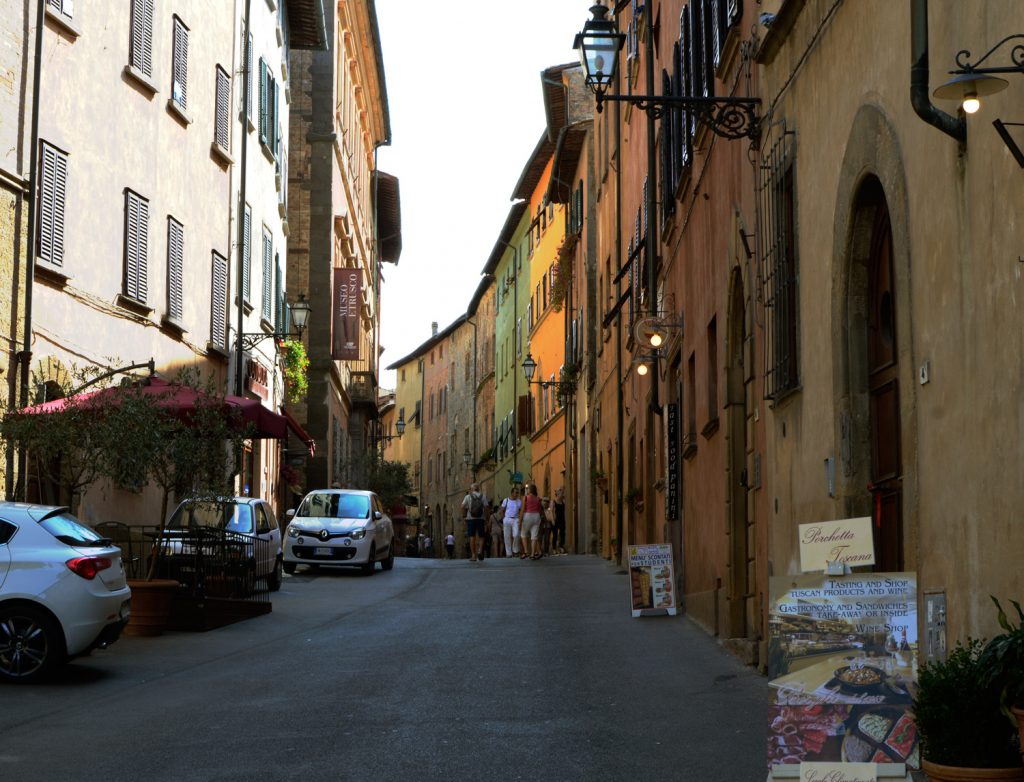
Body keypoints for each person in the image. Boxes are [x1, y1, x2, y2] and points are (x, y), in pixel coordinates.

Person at [461, 482, 487, 562]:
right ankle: (480, 551)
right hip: (480, 518)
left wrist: (464, 516)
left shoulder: (468, 496)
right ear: (478, 489)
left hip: (470, 519)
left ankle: (473, 555)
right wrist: (486, 517)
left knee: (472, 536)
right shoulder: (483, 497)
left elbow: (462, 506)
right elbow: (486, 507)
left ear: (471, 489)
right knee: (481, 536)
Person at [519, 484, 544, 560]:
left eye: (527, 489)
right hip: (536, 516)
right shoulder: (538, 499)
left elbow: (522, 510)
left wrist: (520, 521)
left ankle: (526, 552)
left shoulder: (525, 498)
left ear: (529, 490)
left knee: (523, 534)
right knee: (534, 536)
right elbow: (540, 510)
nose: (527, 490)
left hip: (528, 515)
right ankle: (532, 554)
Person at [500, 487, 523, 557]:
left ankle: (515, 550)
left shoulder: (519, 501)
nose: (516, 494)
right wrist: (503, 519)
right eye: (515, 492)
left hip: (515, 519)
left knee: (516, 535)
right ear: (512, 493)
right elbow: (502, 510)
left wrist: (520, 519)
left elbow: (520, 511)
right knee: (506, 536)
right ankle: (509, 553)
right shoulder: (506, 500)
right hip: (507, 519)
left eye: (517, 493)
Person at [552, 487, 567, 555]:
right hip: (556, 519)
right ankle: (554, 548)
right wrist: (552, 519)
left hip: (562, 519)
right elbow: (551, 511)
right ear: (557, 494)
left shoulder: (563, 502)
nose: (562, 494)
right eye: (561, 493)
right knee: (555, 534)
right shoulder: (553, 502)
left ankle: (561, 546)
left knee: (562, 533)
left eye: (562, 493)